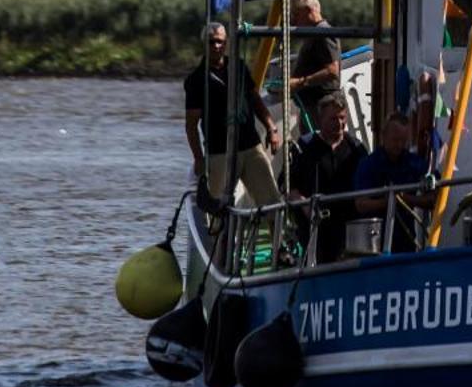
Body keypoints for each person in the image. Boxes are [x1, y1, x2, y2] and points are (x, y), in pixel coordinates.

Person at [183, 21, 281, 210]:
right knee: (218, 207)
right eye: (211, 42)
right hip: (219, 151)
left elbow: (255, 100)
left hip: (250, 146)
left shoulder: (239, 68)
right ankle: (219, 238)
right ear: (204, 45)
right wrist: (198, 157)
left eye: (220, 42)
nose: (216, 46)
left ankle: (280, 236)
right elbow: (191, 124)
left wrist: (271, 127)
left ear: (227, 43)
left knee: (271, 202)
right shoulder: (196, 80)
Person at [288, 89, 366, 264]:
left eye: (342, 118)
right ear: (320, 119)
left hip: (348, 228)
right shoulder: (304, 148)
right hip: (315, 227)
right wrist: (305, 205)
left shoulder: (356, 149)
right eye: (333, 119)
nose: (338, 123)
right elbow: (288, 186)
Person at [354, 111, 433, 253]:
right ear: (383, 136)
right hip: (375, 242)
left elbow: (433, 199)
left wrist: (408, 199)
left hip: (406, 241)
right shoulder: (368, 165)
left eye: (403, 140)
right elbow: (361, 204)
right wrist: (389, 200)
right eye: (395, 140)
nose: (399, 145)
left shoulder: (414, 164)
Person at [288, 0, 341, 135]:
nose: (294, 21)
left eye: (296, 15)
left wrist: (301, 81)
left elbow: (332, 70)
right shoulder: (315, 33)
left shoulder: (323, 32)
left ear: (308, 10)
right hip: (314, 107)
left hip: (323, 107)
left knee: (319, 148)